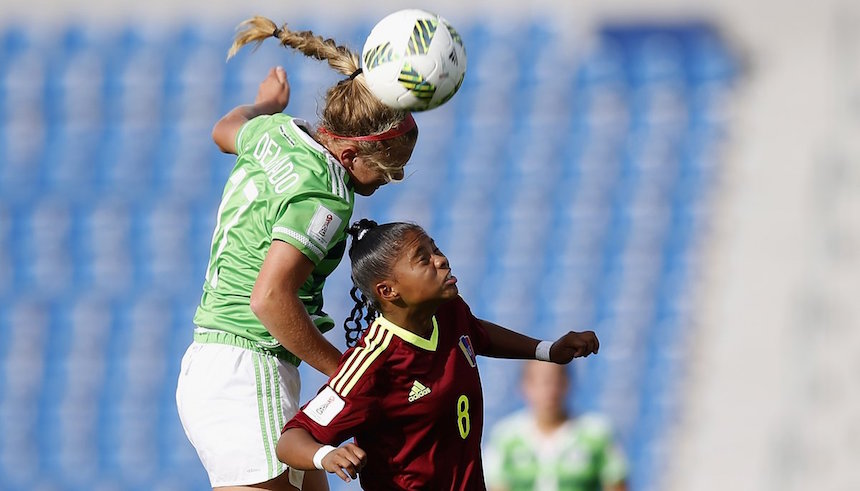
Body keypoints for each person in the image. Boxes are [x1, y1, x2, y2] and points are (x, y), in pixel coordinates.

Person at [175, 16, 419, 491]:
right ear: (349, 156)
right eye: (389, 169)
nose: (397, 179)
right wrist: (351, 376)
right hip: (248, 368)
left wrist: (265, 105)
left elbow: (226, 128)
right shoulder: (326, 196)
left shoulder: (279, 133)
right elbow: (269, 299)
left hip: (219, 361)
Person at [276, 220, 601, 490]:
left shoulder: (449, 312)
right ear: (388, 291)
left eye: (436, 249)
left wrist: (546, 350)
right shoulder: (372, 365)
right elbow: (291, 440)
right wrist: (325, 456)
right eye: (423, 258)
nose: (441, 260)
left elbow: (477, 333)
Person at [483, 361, 629, 491]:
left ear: (568, 383)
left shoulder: (597, 432)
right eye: (540, 382)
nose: (549, 391)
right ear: (524, 386)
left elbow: (616, 484)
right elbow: (496, 485)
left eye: (556, 381)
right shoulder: (504, 436)